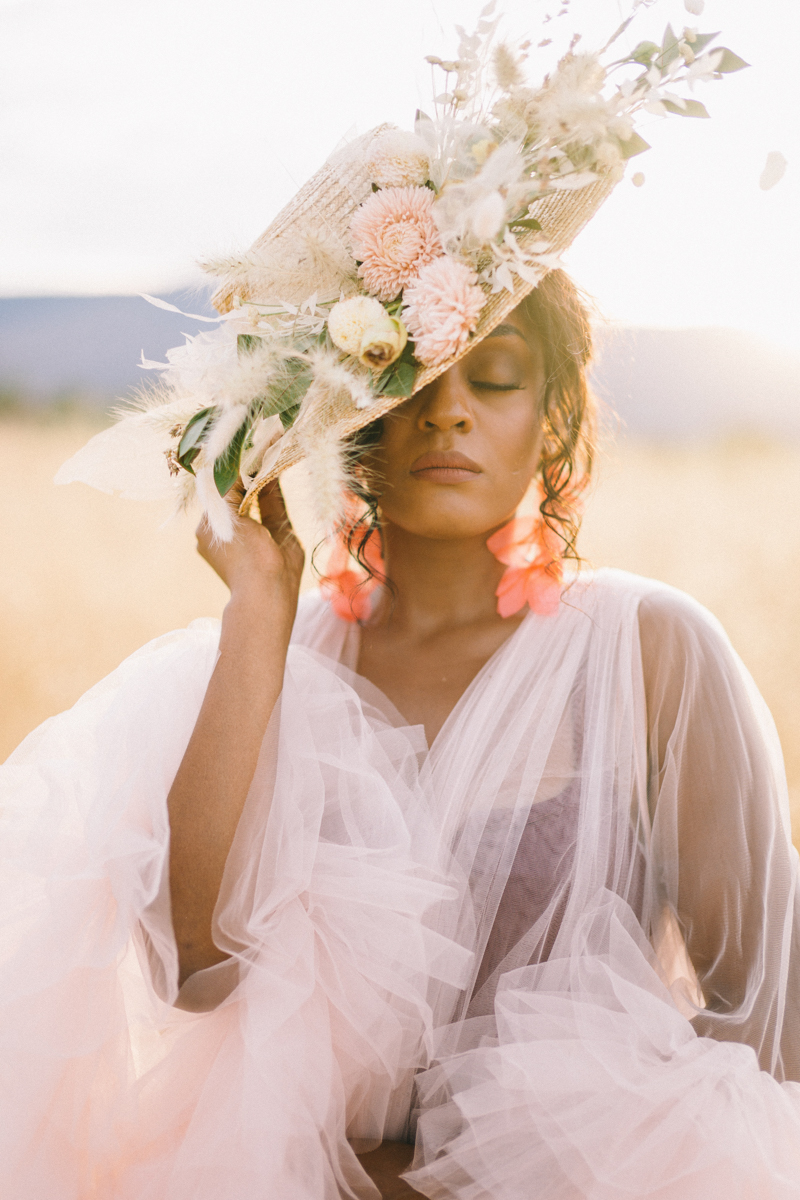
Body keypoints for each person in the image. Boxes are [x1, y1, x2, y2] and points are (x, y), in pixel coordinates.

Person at [5, 8, 795, 1198]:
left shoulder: (649, 649)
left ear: (555, 419)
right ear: (345, 413)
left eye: (496, 380)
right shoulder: (285, 654)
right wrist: (257, 616)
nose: (450, 415)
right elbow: (194, 967)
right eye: (413, 380)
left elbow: (763, 1017)